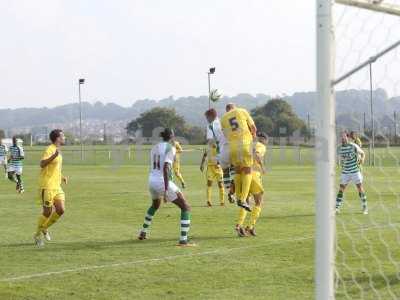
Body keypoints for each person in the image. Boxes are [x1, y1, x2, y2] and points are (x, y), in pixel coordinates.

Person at [138, 128, 194, 246]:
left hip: (151, 180)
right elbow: (166, 167)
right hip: (162, 182)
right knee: (186, 207)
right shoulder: (170, 148)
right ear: (172, 137)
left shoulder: (154, 148)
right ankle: (183, 240)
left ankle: (143, 232)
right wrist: (166, 187)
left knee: (155, 205)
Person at [34, 129, 68, 246]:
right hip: (47, 186)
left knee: (61, 209)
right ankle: (37, 235)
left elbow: (55, 168)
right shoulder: (50, 149)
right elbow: (42, 164)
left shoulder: (58, 151)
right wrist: (54, 155)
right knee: (47, 213)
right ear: (57, 138)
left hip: (56, 186)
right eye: (63, 136)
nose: (64, 137)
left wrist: (62, 176)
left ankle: (43, 228)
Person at [221, 103, 257, 212]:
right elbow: (253, 128)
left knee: (237, 171)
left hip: (232, 147)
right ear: (234, 107)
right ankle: (243, 199)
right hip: (245, 143)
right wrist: (253, 139)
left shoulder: (223, 118)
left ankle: (237, 197)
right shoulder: (242, 111)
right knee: (247, 171)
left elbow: (225, 135)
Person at [236, 132, 268, 237]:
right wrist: (262, 167)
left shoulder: (249, 144)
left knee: (246, 202)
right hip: (253, 175)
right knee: (259, 201)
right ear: (263, 139)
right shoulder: (261, 146)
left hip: (243, 174)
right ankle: (250, 227)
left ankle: (239, 225)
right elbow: (257, 154)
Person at [204, 108, 235, 203]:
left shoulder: (210, 125)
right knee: (234, 171)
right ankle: (233, 191)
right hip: (233, 146)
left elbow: (210, 141)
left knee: (225, 171)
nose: (207, 120)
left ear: (211, 116)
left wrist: (215, 145)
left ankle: (230, 191)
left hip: (222, 151)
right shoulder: (224, 120)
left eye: (207, 118)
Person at [336, 132, 368, 214]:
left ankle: (365, 207)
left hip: (355, 171)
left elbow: (363, 153)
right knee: (341, 189)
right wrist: (339, 162)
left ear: (347, 138)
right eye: (341, 138)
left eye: (344, 137)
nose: (343, 139)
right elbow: (339, 157)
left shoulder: (353, 146)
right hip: (345, 172)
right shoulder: (339, 148)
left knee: (359, 188)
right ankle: (337, 208)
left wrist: (362, 159)